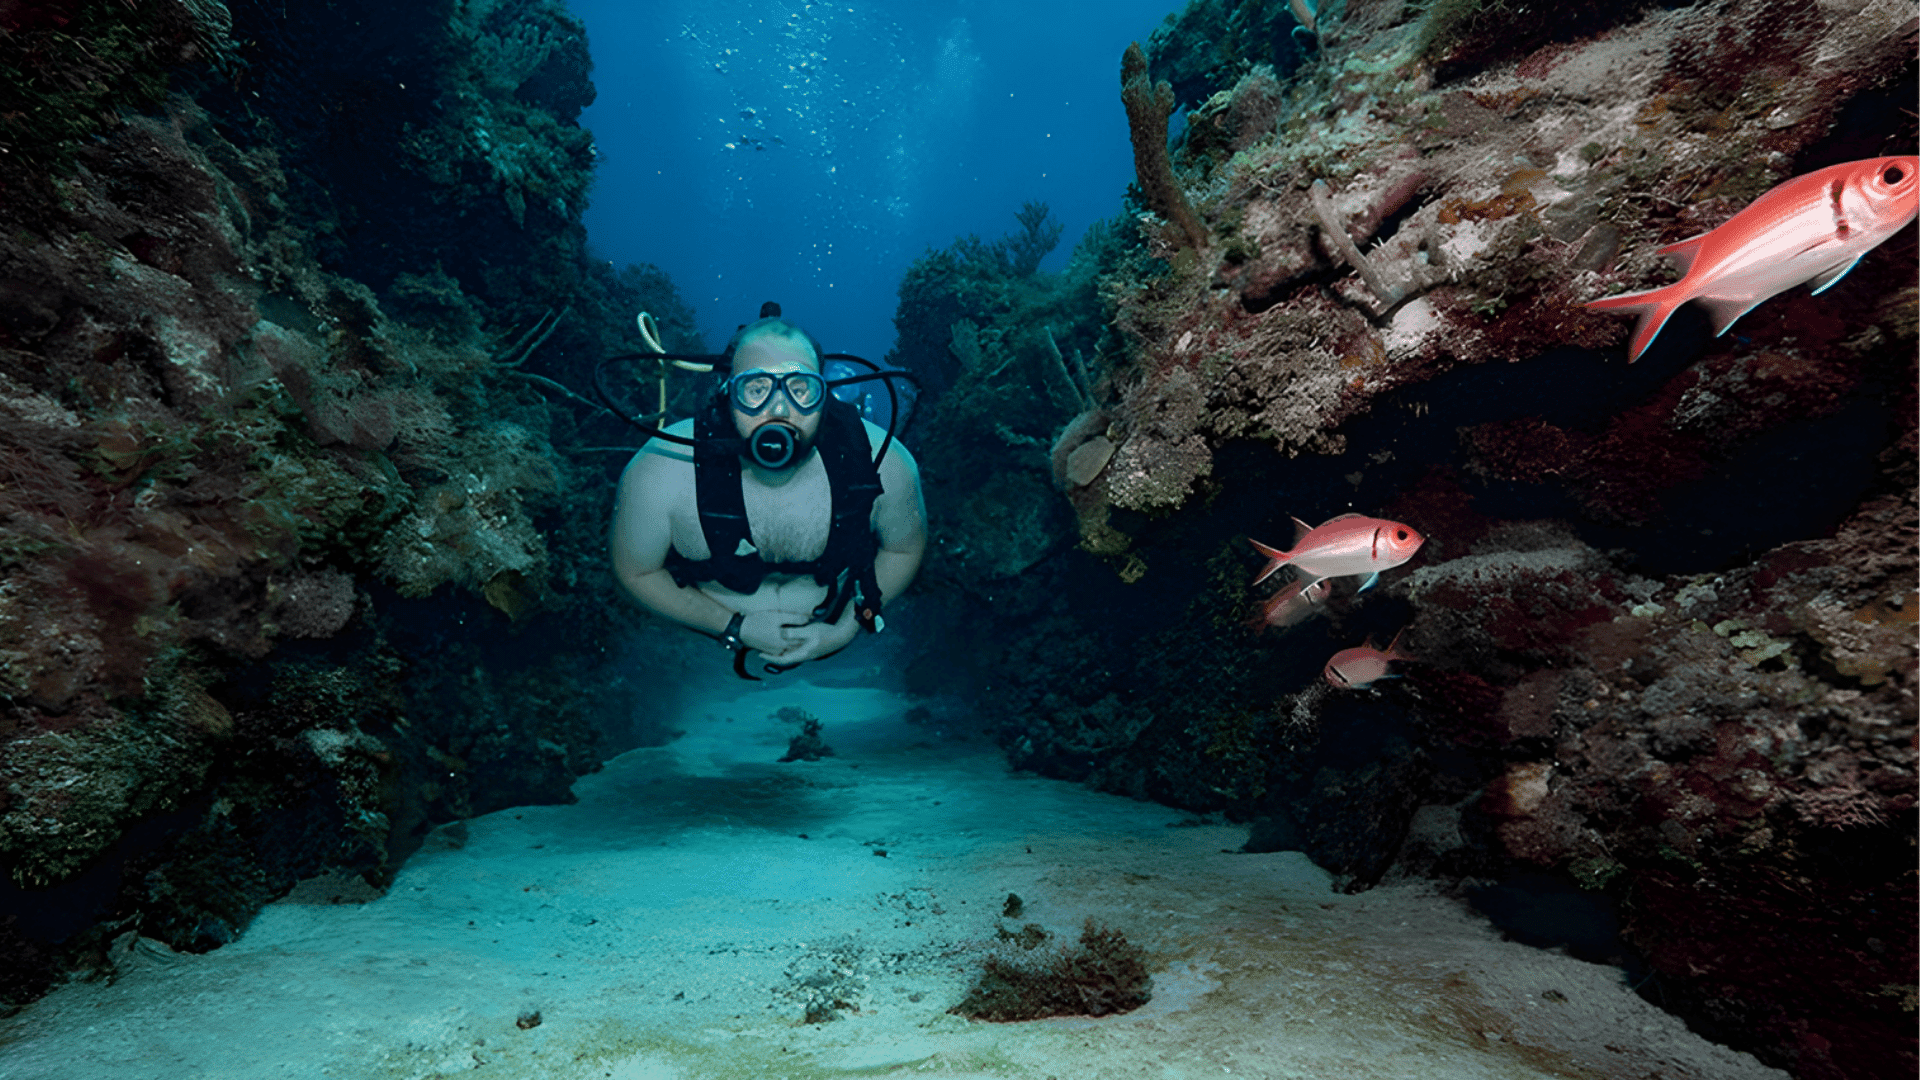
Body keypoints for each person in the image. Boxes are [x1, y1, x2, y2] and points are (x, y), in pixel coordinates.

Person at [610, 316, 926, 670]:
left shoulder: (887, 461)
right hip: (706, 651)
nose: (778, 410)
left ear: (823, 395)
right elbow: (636, 570)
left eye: (800, 388)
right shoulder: (661, 468)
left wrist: (846, 628)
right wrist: (732, 628)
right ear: (727, 392)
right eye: (756, 388)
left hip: (837, 635)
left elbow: (903, 548)